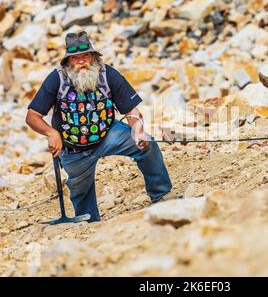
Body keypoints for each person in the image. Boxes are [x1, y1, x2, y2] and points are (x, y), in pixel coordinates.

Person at [25, 31, 173, 222]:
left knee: (147, 144)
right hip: (73, 148)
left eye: (85, 55)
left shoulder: (107, 74)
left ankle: (161, 196)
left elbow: (131, 111)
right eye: (75, 58)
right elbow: (32, 116)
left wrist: (138, 130)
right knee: (84, 212)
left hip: (109, 135)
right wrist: (51, 132)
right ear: (67, 61)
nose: (81, 61)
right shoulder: (57, 79)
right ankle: (90, 224)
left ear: (93, 56)